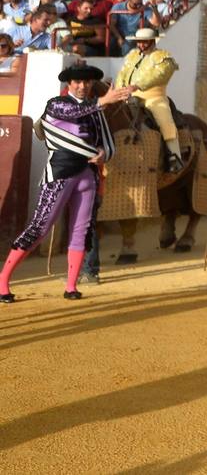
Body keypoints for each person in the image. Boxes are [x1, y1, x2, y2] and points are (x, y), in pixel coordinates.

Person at [0, 65, 129, 303]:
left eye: (87, 82)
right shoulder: (56, 104)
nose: (82, 86)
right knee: (40, 227)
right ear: (68, 84)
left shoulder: (96, 111)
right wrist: (104, 100)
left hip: (87, 175)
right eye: (77, 82)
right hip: (59, 173)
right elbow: (73, 113)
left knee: (81, 231)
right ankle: (2, 281)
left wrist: (103, 154)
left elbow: (109, 144)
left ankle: (71, 286)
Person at [113, 27, 183, 169]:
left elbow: (160, 75)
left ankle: (174, 157)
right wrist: (120, 90)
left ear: (153, 41)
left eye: (145, 42)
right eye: (139, 42)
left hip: (153, 97)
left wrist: (138, 85)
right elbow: (122, 73)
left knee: (165, 122)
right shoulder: (132, 55)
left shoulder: (163, 57)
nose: (142, 45)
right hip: (128, 97)